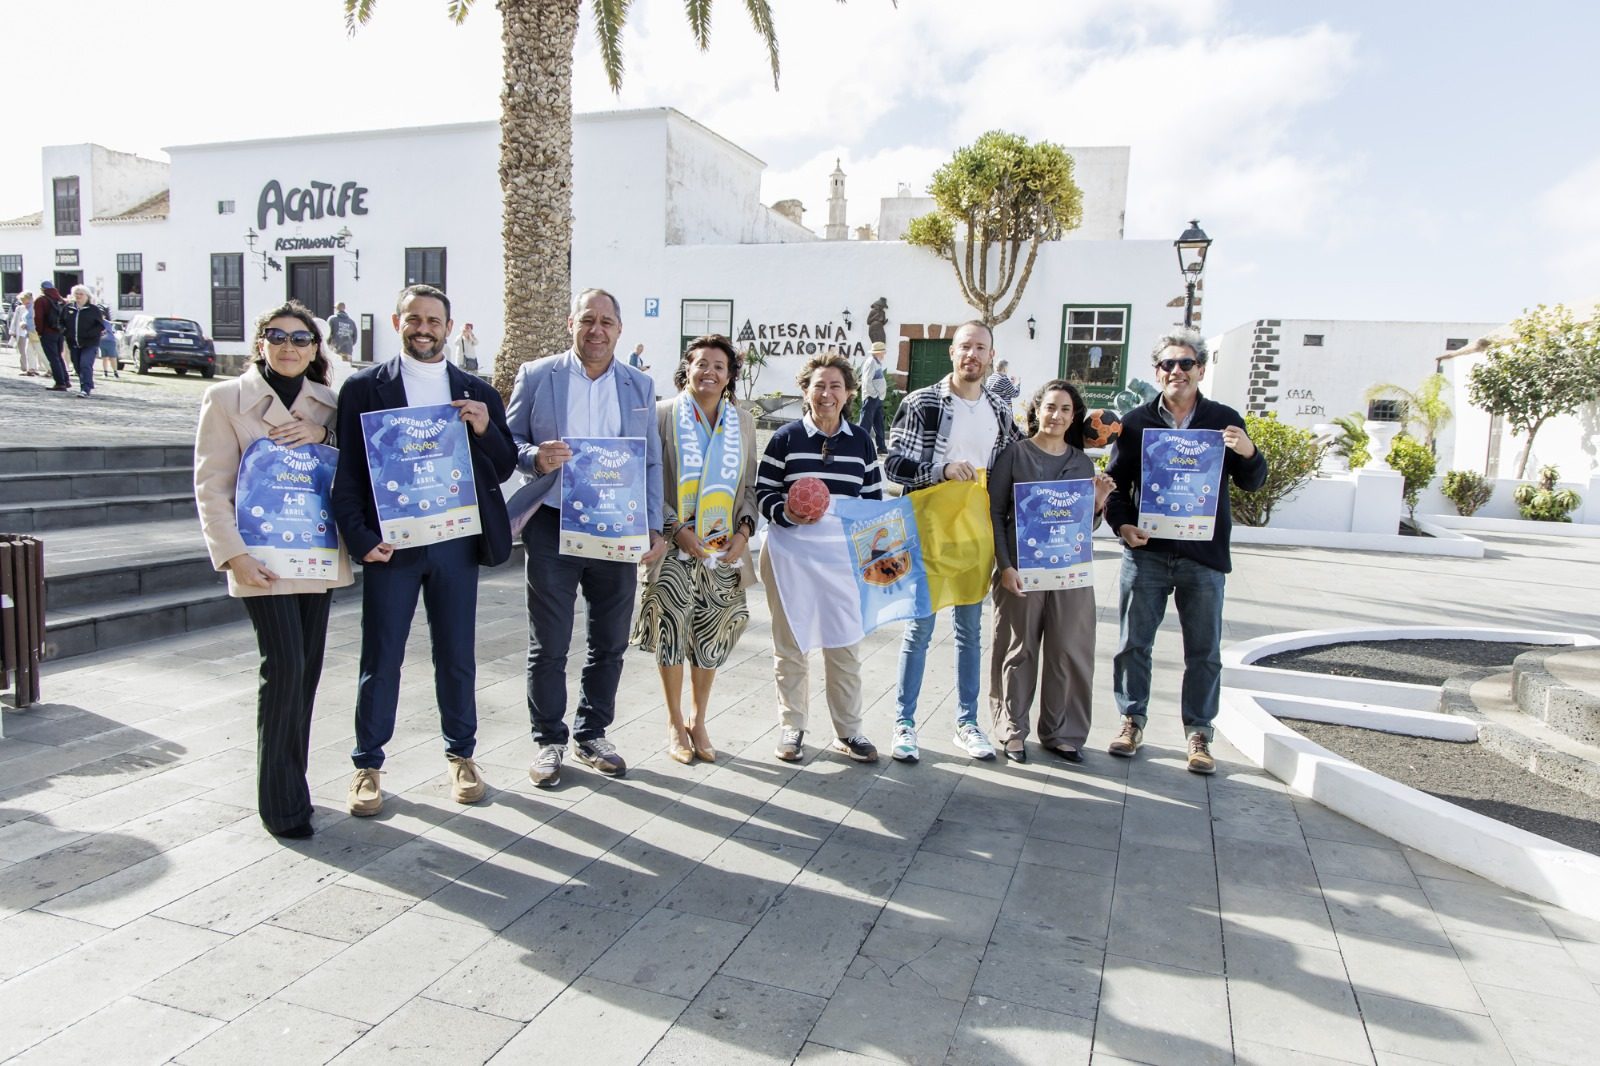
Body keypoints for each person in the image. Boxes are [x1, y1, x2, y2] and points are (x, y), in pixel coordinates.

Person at [330, 284, 517, 816]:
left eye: (434, 321)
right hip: (394, 547)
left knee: (456, 655)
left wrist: (483, 429)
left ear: (450, 327)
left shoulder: (477, 392)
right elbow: (348, 472)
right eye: (414, 319)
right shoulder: (365, 388)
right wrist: (362, 538)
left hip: (455, 544)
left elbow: (502, 467)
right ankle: (367, 765)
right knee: (381, 655)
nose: (424, 329)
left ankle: (462, 755)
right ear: (397, 323)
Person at [194, 301, 353, 838]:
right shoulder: (225, 400)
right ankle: (281, 804)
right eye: (277, 336)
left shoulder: (329, 405)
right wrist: (233, 553)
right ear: (260, 342)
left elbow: (356, 465)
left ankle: (294, 786)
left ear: (315, 350)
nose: (289, 346)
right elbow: (211, 485)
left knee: (304, 674)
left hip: (314, 555)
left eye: (301, 339)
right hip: (260, 558)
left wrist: (324, 438)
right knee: (282, 667)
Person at [505, 288, 666, 788]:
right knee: (549, 642)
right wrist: (534, 457)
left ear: (620, 330)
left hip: (616, 527)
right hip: (553, 522)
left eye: (607, 322)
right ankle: (548, 741)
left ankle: (592, 732)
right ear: (571, 324)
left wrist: (654, 525)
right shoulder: (538, 375)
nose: (597, 330)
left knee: (610, 641)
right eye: (588, 320)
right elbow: (507, 441)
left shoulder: (639, 384)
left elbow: (651, 458)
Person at [1104, 327, 1265, 774]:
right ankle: (1131, 720)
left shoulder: (1224, 420)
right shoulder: (1136, 422)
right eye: (1168, 364)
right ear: (1157, 372)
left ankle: (1199, 732)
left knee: (1204, 650)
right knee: (1133, 644)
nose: (1177, 371)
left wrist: (1249, 452)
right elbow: (1116, 486)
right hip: (1148, 553)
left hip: (1203, 557)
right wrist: (1123, 525)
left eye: (1186, 363)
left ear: (1201, 369)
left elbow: (1253, 482)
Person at [883, 321, 1019, 763]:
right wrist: (939, 472)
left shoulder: (999, 409)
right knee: (918, 627)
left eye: (980, 348)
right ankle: (904, 723)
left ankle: (967, 723)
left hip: (975, 533)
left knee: (969, 632)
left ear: (990, 355)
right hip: (928, 526)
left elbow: (1017, 464)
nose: (971, 355)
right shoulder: (922, 401)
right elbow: (894, 466)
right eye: (965, 347)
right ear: (952, 352)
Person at [633, 335, 758, 764]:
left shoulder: (742, 423)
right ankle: (673, 722)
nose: (709, 372)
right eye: (701, 363)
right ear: (686, 368)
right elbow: (647, 479)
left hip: (723, 551)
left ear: (729, 375)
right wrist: (675, 528)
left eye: (719, 366)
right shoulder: (663, 415)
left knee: (709, 635)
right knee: (671, 634)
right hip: (672, 550)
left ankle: (698, 718)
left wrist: (743, 534)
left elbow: (750, 487)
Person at [757, 351, 884, 764]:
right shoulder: (786, 438)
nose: (826, 394)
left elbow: (873, 503)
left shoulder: (862, 441)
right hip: (789, 556)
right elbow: (764, 492)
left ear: (849, 393)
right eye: (818, 386)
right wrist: (787, 514)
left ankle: (849, 732)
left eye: (835, 386)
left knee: (843, 646)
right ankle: (791, 727)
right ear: (805, 391)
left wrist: (871, 559)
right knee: (791, 644)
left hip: (841, 562)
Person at [988, 380, 1113, 762]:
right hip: (1021, 571)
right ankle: (1012, 727)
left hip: (1069, 573)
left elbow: (1082, 527)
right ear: (1036, 410)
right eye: (1049, 407)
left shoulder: (1080, 461)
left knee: (1069, 651)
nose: (1056, 416)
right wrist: (1005, 565)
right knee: (1018, 649)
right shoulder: (1014, 455)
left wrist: (1098, 503)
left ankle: (1062, 732)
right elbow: (993, 513)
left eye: (1064, 409)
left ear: (1073, 416)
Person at [60, 285, 105, 398]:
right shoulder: (68, 308)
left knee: (85, 364)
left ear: (87, 296)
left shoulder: (93, 310)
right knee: (77, 366)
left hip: (90, 343)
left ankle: (85, 389)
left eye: (81, 294)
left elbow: (100, 326)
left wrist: (89, 334)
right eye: (77, 294)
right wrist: (64, 331)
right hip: (73, 342)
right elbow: (61, 322)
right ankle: (87, 383)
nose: (78, 296)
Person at [34, 281, 72, 392]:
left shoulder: (41, 300)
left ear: (42, 289)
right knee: (59, 357)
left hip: (47, 332)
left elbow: (39, 318)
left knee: (53, 358)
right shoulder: (61, 300)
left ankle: (60, 383)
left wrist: (39, 331)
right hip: (59, 332)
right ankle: (66, 380)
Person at [858, 341, 889, 452]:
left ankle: (881, 447)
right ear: (878, 352)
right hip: (871, 398)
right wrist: (874, 395)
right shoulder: (871, 362)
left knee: (879, 423)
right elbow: (867, 381)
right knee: (865, 423)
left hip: (877, 398)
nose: (884, 354)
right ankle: (859, 445)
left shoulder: (876, 362)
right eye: (883, 352)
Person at [10, 293, 42, 377]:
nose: (23, 302)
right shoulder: (20, 308)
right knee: (26, 351)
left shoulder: (34, 307)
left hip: (32, 332)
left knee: (37, 351)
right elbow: (15, 319)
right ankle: (29, 368)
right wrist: (13, 330)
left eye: (25, 300)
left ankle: (46, 368)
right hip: (24, 332)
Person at [97, 307, 120, 380]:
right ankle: (105, 372)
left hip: (110, 342)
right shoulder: (97, 323)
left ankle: (115, 373)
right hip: (102, 343)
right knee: (104, 358)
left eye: (102, 315)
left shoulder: (106, 323)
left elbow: (104, 332)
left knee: (112, 357)